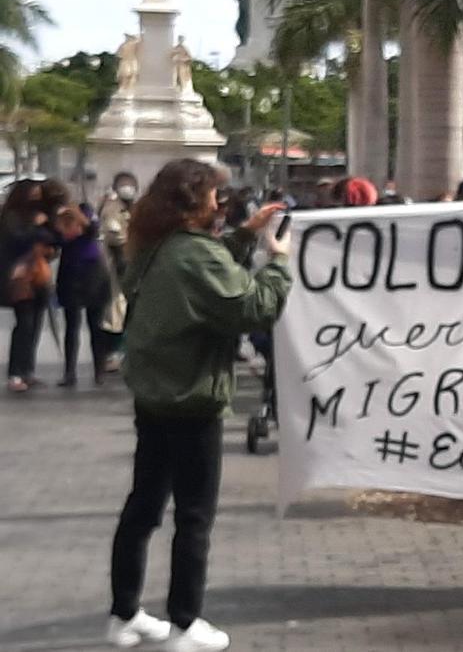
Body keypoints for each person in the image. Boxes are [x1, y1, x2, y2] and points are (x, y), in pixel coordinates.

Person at [106, 159, 292, 651]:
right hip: (192, 400)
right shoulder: (192, 253)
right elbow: (250, 307)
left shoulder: (153, 244)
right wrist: (278, 263)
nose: (220, 204)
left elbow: (201, 275)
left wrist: (246, 236)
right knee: (194, 516)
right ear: (195, 201)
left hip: (154, 395)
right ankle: (185, 623)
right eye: (214, 195)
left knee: (143, 508)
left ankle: (124, 613)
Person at [0, 179, 63, 392]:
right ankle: (15, 373)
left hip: (39, 275)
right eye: (33, 195)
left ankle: (28, 370)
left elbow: (54, 238)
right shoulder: (12, 217)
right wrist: (37, 228)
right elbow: (17, 240)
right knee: (24, 324)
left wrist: (45, 228)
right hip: (20, 277)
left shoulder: (41, 216)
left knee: (35, 325)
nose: (36, 199)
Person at [50, 182, 112, 387]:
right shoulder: (53, 217)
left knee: (95, 325)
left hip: (92, 271)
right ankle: (69, 372)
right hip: (70, 272)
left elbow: (93, 229)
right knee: (72, 325)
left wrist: (76, 214)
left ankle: (99, 371)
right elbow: (57, 240)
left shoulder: (84, 210)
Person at [99, 172, 140, 371]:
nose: (127, 188)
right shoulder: (111, 208)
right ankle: (111, 354)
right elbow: (114, 235)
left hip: (137, 265)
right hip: (116, 267)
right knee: (116, 311)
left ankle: (128, 352)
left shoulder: (138, 208)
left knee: (132, 311)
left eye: (130, 185)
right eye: (123, 184)